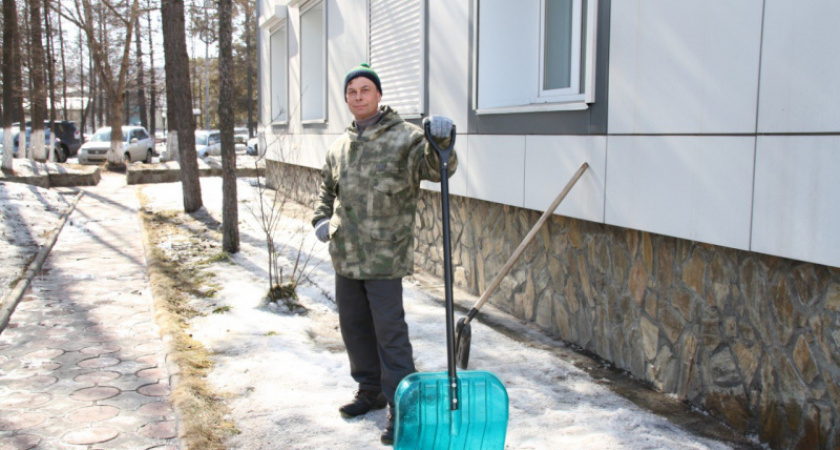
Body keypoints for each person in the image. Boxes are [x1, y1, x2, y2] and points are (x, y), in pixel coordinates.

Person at [311, 62, 457, 445]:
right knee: (355, 329)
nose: (358, 97)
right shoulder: (339, 146)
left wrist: (441, 143)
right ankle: (370, 391)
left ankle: (402, 406)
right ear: (346, 99)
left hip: (384, 257)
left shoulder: (405, 138)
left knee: (390, 333)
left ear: (378, 95)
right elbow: (326, 189)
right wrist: (321, 219)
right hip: (346, 255)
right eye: (351, 92)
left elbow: (438, 169)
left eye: (364, 90)